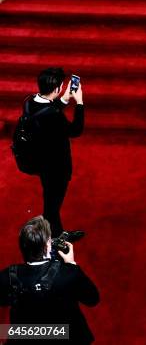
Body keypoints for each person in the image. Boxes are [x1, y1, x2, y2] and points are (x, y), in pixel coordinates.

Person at [0, 216, 99, 344]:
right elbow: (92, 299)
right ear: (48, 245)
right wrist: (72, 264)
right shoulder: (69, 273)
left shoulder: (6, 276)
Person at [26, 67, 85, 237]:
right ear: (57, 89)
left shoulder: (29, 102)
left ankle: (57, 233)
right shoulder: (54, 117)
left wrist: (65, 99)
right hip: (57, 168)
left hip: (41, 162)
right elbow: (75, 130)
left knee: (50, 202)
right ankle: (50, 239)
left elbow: (47, 111)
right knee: (52, 205)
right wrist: (79, 103)